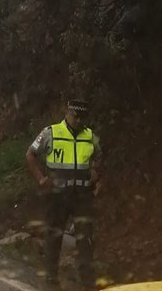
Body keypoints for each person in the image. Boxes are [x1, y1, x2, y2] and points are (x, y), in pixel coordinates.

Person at [26, 99, 102, 290]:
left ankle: (88, 283)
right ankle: (51, 280)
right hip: (58, 196)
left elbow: (99, 157)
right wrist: (41, 179)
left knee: (85, 239)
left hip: (82, 196)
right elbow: (30, 154)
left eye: (82, 117)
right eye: (75, 115)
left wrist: (95, 172)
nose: (78, 120)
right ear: (67, 113)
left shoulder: (90, 136)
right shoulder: (51, 132)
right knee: (54, 236)